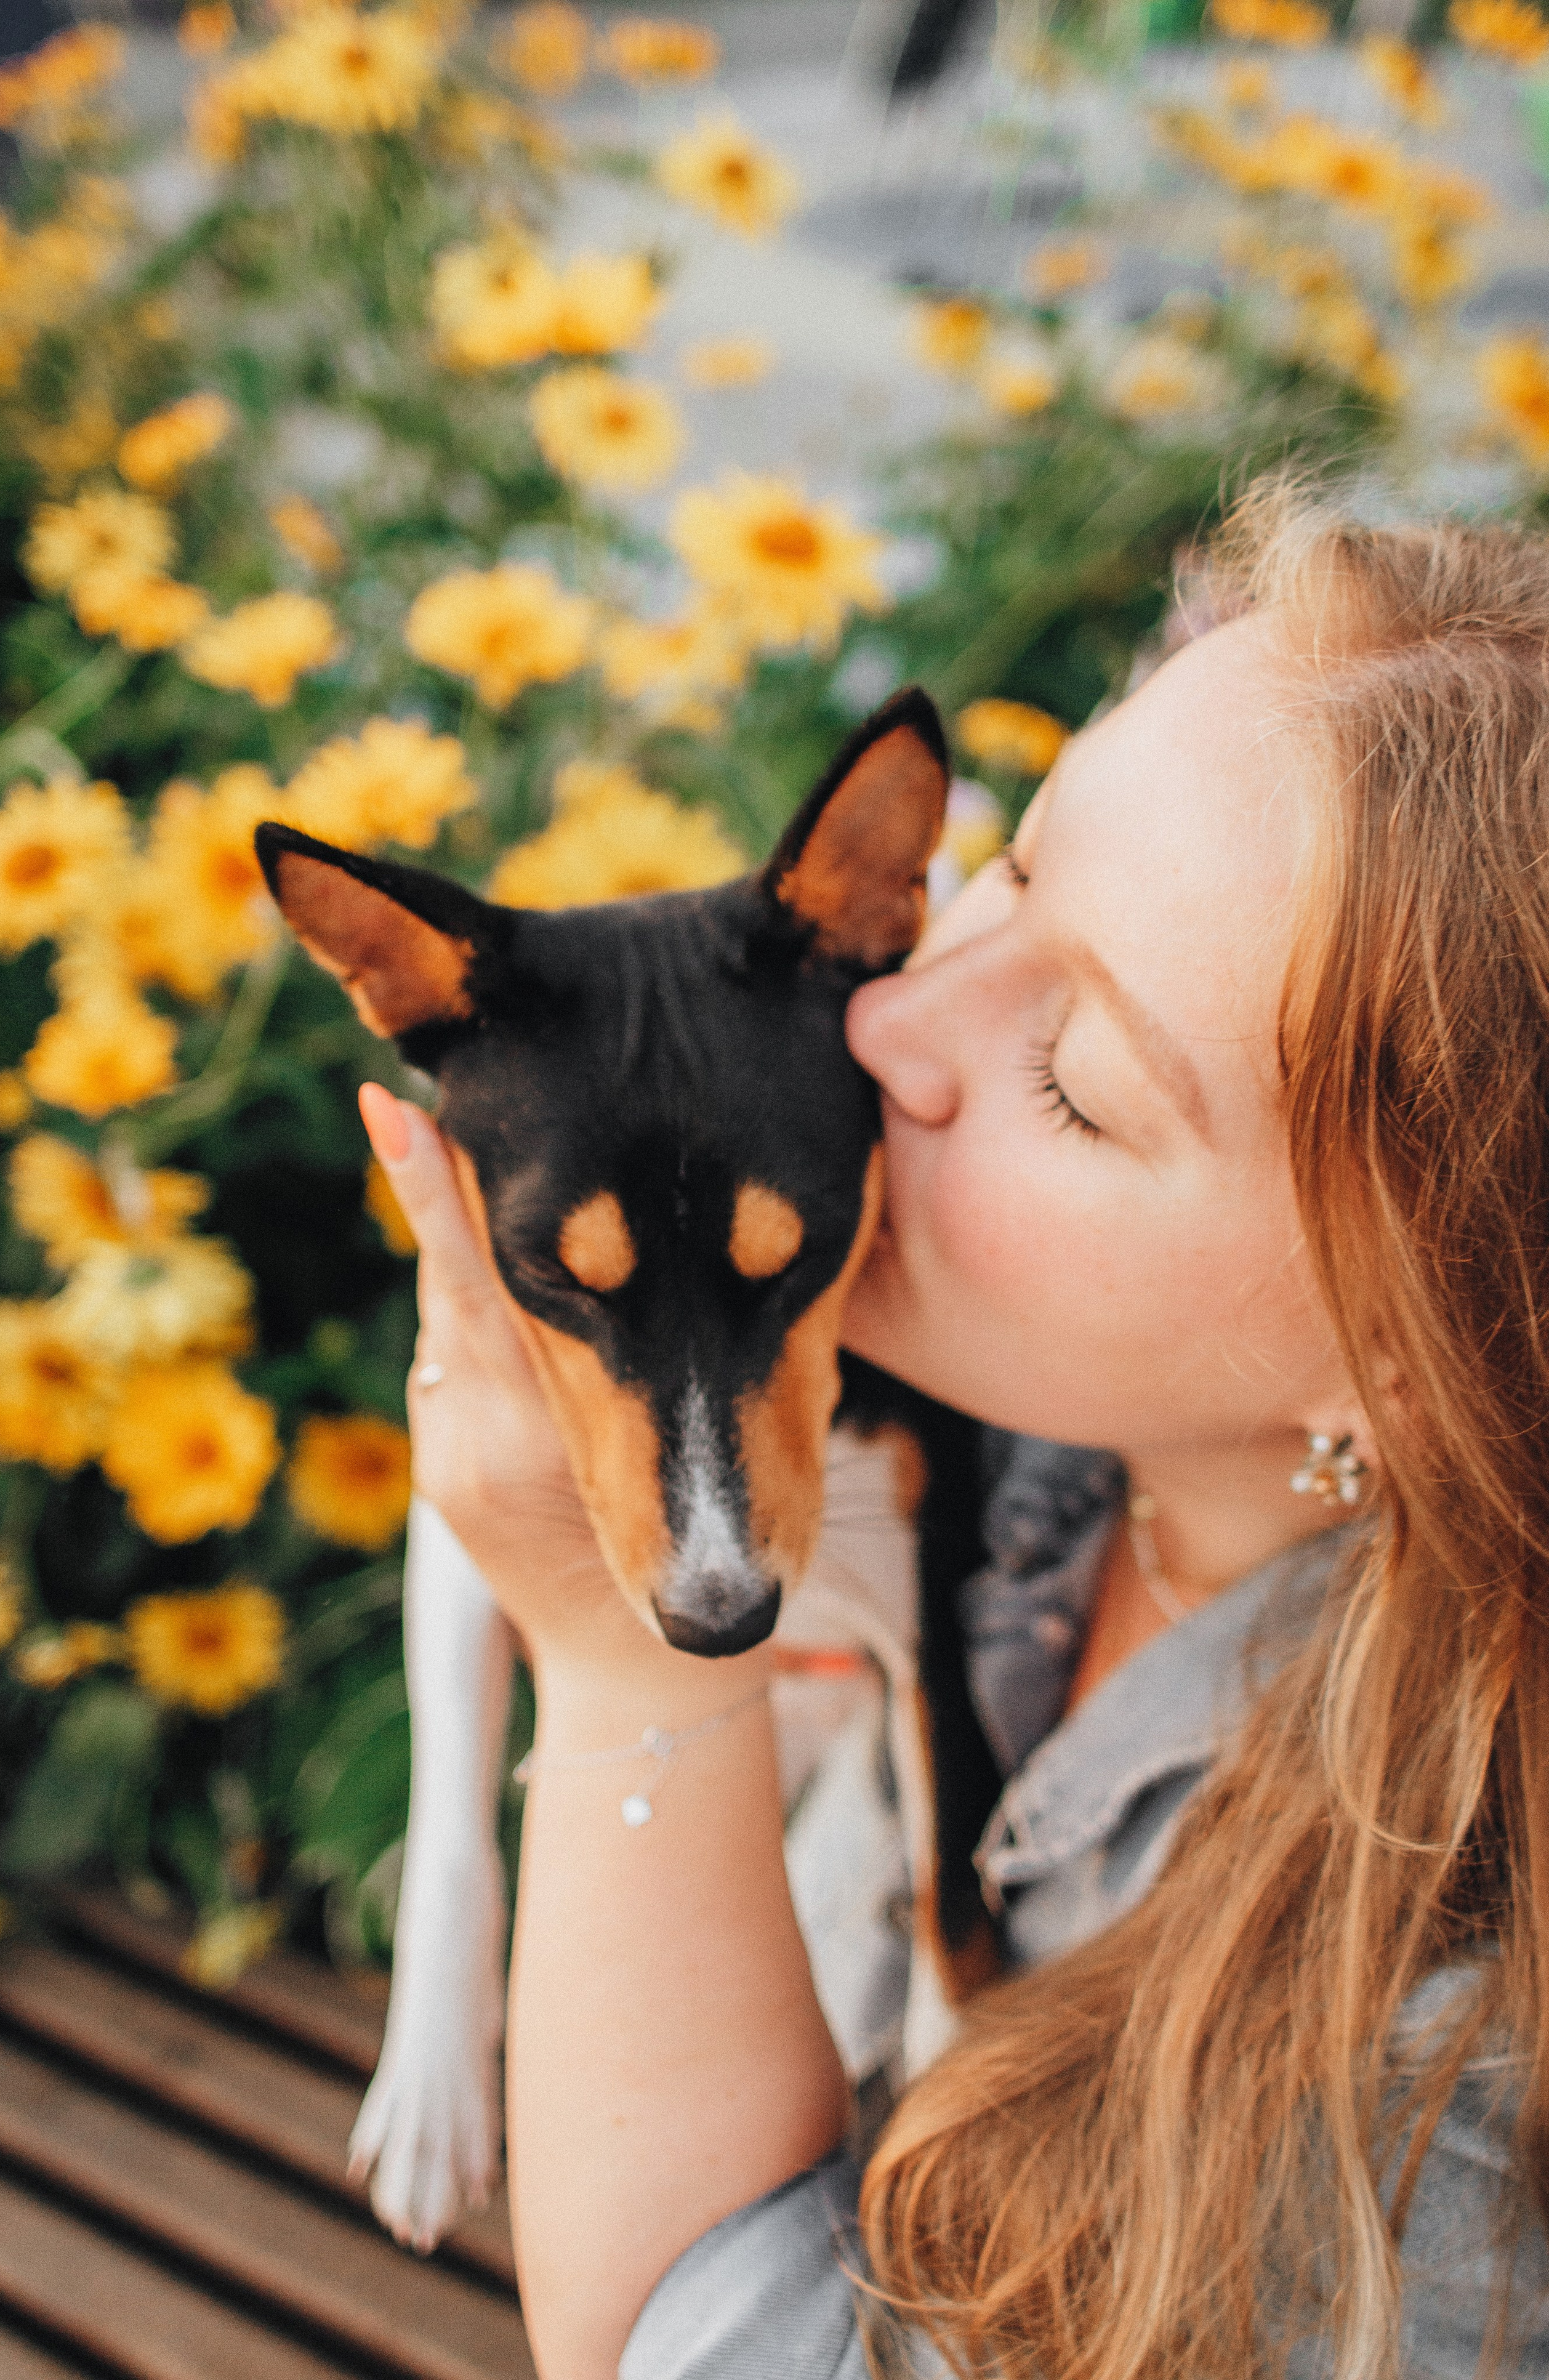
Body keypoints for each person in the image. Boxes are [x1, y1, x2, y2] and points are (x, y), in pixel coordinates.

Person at [358, 486, 1549, 2380]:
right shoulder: (1054, 1454)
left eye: (1079, 1084)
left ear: (1412, 1358)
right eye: (1008, 874)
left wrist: (616, 1653)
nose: (890, 1018)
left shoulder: (1449, 2083)